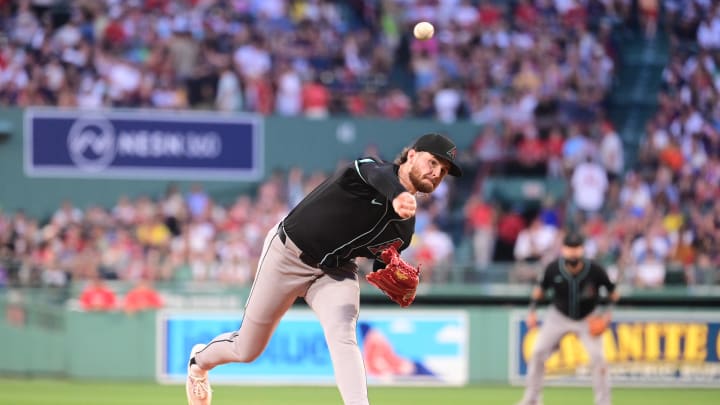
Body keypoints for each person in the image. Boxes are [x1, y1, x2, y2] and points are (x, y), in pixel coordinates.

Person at [185, 133, 462, 405]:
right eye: (432, 162)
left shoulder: (405, 228)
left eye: (444, 170)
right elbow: (379, 177)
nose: (437, 173)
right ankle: (199, 362)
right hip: (288, 255)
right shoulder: (368, 169)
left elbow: (382, 261)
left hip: (335, 271)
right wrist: (399, 195)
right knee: (246, 349)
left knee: (343, 335)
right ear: (411, 155)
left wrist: (392, 271)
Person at [517, 231, 620, 405]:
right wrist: (532, 312)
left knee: (599, 358)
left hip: (587, 318)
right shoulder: (553, 268)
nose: (573, 252)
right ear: (563, 249)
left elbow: (614, 294)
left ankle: (604, 402)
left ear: (582, 249)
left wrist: (607, 314)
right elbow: (539, 291)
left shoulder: (595, 270)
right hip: (558, 316)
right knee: (537, 353)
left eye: (576, 248)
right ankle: (532, 399)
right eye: (569, 248)